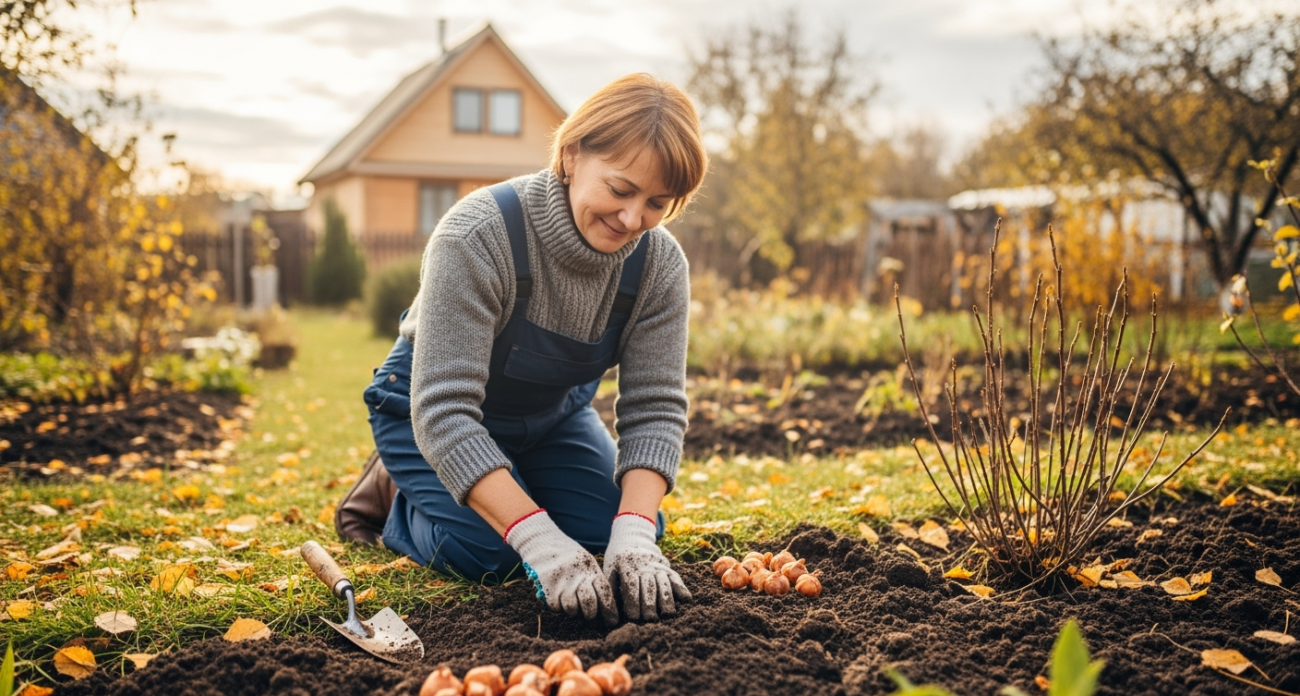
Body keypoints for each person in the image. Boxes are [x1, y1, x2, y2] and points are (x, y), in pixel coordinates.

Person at [335, 73, 708, 626]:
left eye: (657, 203)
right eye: (620, 190)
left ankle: (515, 488)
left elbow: (655, 408)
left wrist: (632, 533)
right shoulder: (478, 236)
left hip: (550, 419)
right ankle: (396, 496)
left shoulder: (659, 265)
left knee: (616, 531)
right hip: (427, 416)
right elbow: (444, 411)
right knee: (492, 554)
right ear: (572, 155)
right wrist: (537, 538)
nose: (633, 220)